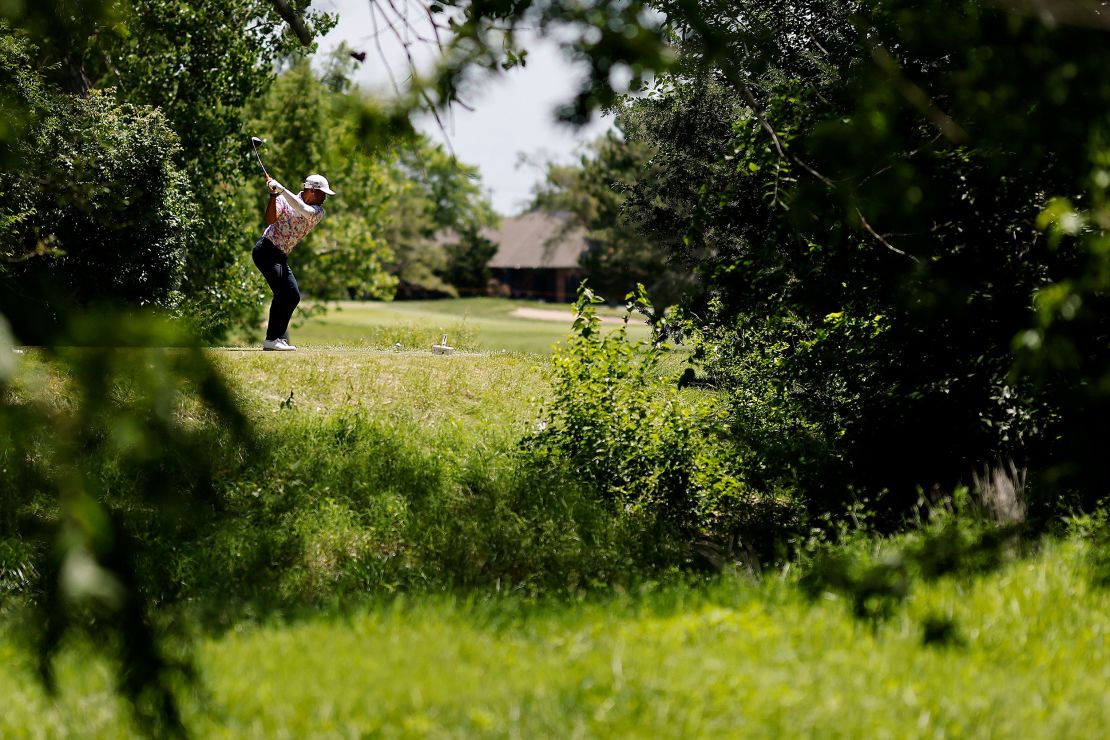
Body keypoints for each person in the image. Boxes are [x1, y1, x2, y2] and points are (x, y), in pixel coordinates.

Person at [251, 173, 336, 351]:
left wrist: (281, 189)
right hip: (266, 250)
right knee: (283, 293)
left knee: (293, 295)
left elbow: (301, 209)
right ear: (312, 190)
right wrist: (274, 194)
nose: (324, 199)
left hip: (280, 256)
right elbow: (270, 220)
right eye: (322, 194)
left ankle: (277, 338)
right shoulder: (282, 199)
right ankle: (272, 339)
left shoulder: (318, 211)